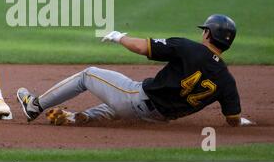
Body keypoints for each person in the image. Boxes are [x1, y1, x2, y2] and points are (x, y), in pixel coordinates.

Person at [17, 14, 255, 126]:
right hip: (160, 119)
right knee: (119, 101)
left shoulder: (188, 48)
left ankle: (34, 105)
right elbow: (232, 118)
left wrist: (120, 37)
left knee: (89, 75)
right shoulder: (227, 80)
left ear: (207, 34)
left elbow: (144, 48)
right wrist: (241, 122)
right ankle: (81, 117)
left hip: (138, 100)